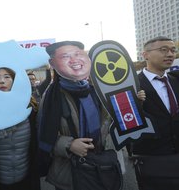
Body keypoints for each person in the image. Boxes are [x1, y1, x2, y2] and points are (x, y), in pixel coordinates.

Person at [37, 41, 123, 190]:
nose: (74, 60)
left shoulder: (99, 90)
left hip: (103, 165)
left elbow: (113, 123)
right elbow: (42, 132)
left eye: (78, 54)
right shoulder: (51, 96)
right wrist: (69, 145)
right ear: (53, 63)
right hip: (70, 171)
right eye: (65, 56)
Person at [0, 67, 40, 190]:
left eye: (7, 77)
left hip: (27, 178)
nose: (2, 81)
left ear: (15, 81)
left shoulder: (30, 108)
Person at [131, 36, 179, 190]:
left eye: (173, 50)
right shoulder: (133, 85)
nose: (170, 54)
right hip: (151, 161)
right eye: (163, 50)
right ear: (145, 55)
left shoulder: (176, 80)